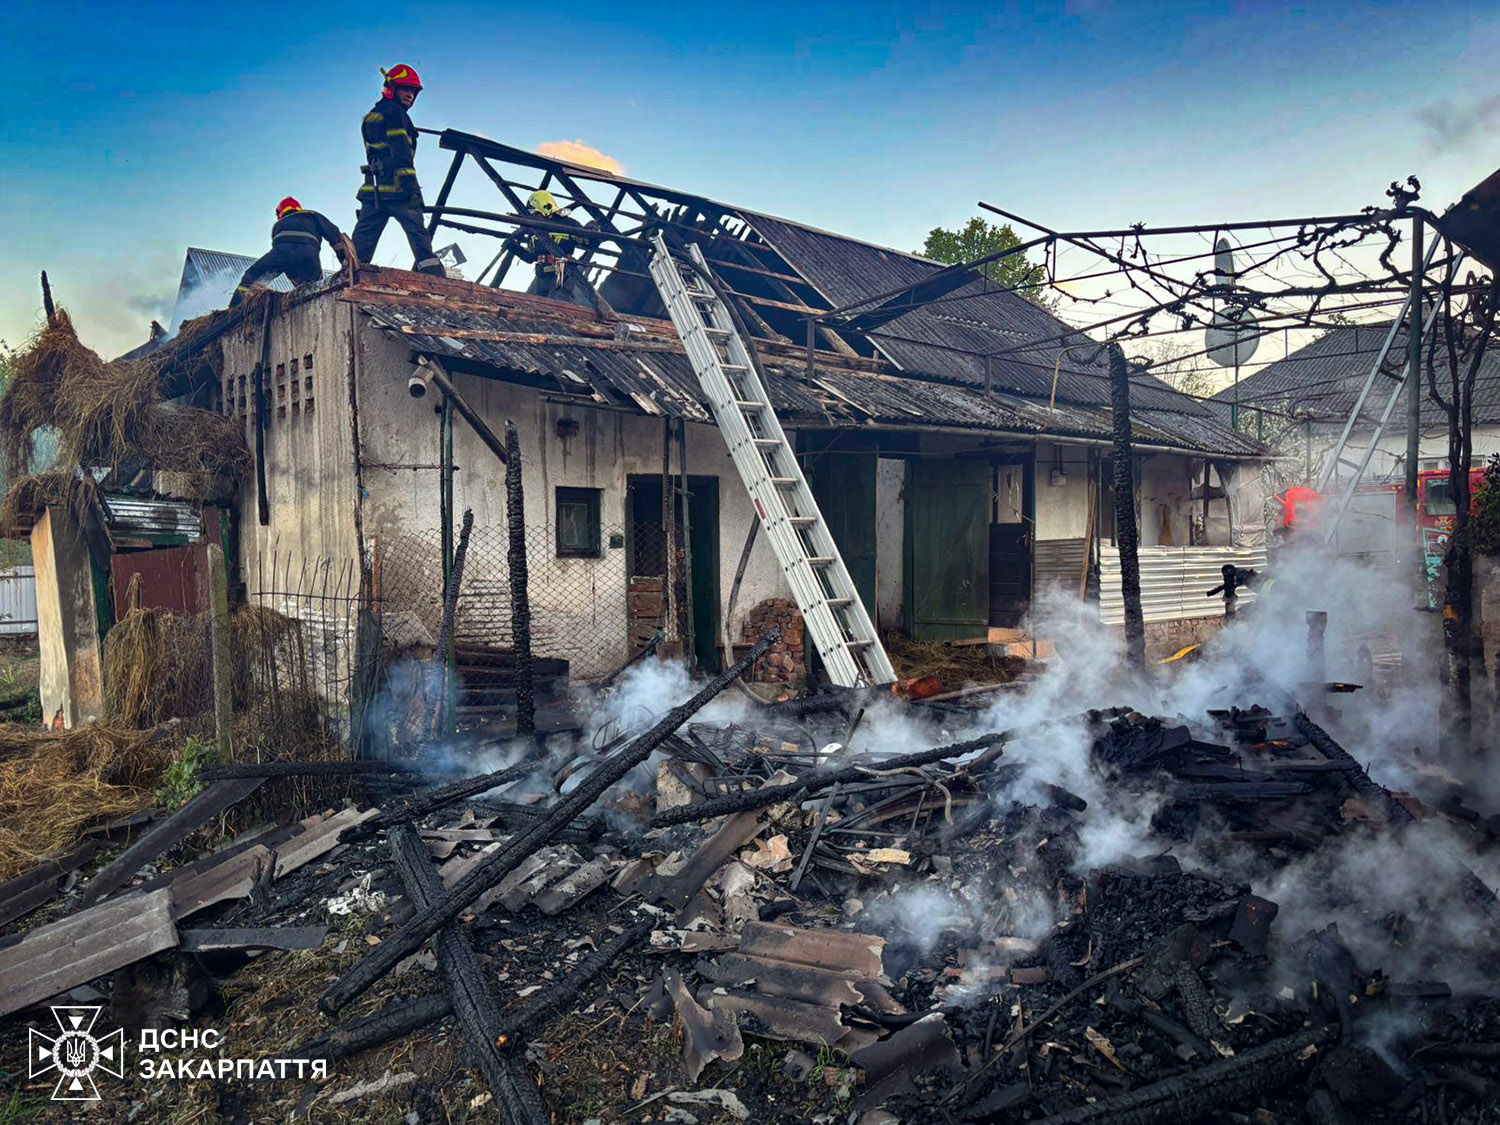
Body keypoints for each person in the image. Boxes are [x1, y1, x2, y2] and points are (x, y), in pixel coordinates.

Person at [352, 64, 446, 277]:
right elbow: (401, 154)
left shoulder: (372, 116)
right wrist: (412, 190)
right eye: (406, 89)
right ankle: (436, 281)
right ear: (391, 88)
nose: (410, 95)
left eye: (413, 92)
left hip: (373, 191)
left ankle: (349, 278)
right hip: (398, 190)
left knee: (361, 246)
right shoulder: (396, 113)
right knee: (419, 236)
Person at [231, 197, 350, 307]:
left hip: (282, 253)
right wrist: (345, 263)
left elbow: (284, 250)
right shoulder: (312, 215)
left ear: (280, 213)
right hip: (309, 253)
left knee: (253, 276)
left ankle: (235, 308)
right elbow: (334, 236)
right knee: (314, 287)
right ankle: (317, 306)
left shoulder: (278, 225)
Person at [503, 190, 596, 305]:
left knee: (558, 305)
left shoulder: (569, 224)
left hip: (564, 274)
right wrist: (513, 247)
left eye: (535, 212)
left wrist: (591, 234)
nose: (533, 216)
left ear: (546, 208)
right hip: (541, 276)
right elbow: (531, 257)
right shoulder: (534, 229)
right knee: (534, 305)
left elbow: (589, 244)